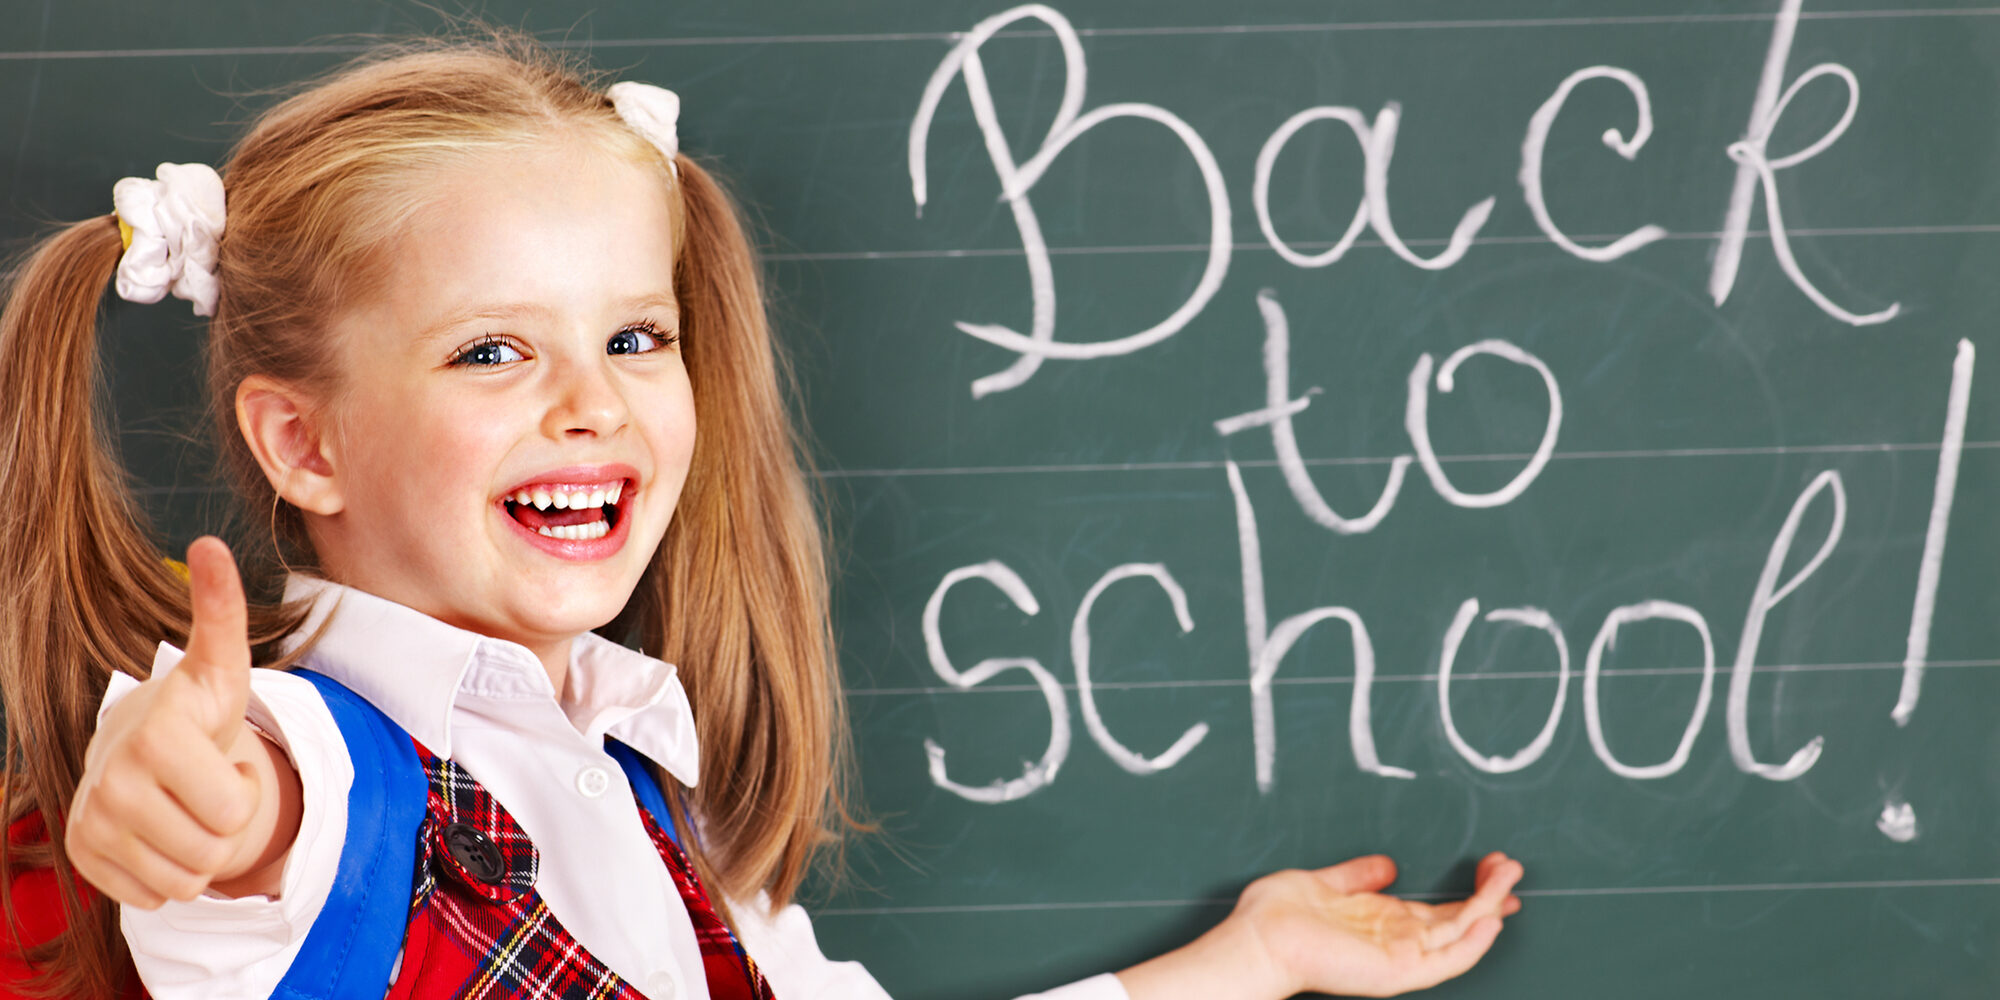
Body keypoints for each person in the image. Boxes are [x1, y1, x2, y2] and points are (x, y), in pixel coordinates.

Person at [0, 33, 1523, 1000]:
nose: (591, 403)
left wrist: (1240, 964)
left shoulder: (647, 793)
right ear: (304, 443)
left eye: (635, 339)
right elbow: (239, 821)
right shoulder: (307, 772)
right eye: (492, 351)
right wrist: (181, 807)